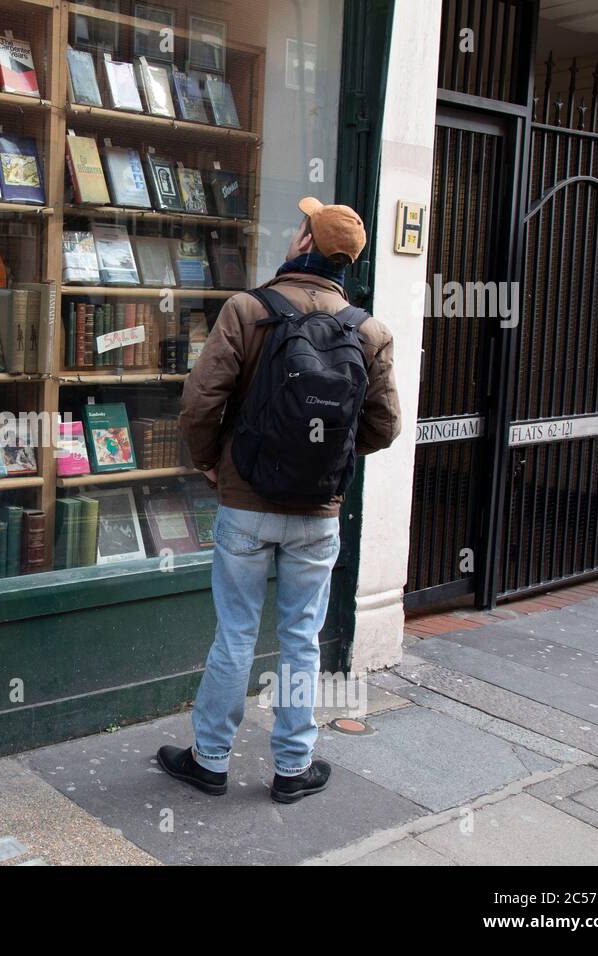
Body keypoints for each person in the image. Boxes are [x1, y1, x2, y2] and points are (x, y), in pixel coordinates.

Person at [159, 197, 401, 803]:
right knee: (301, 636)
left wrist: (213, 462)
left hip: (245, 502)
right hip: (319, 511)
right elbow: (384, 426)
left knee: (236, 633)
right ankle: (293, 767)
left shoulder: (247, 309)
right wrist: (329, 460)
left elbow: (199, 403)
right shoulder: (368, 330)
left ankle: (210, 758)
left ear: (302, 245)